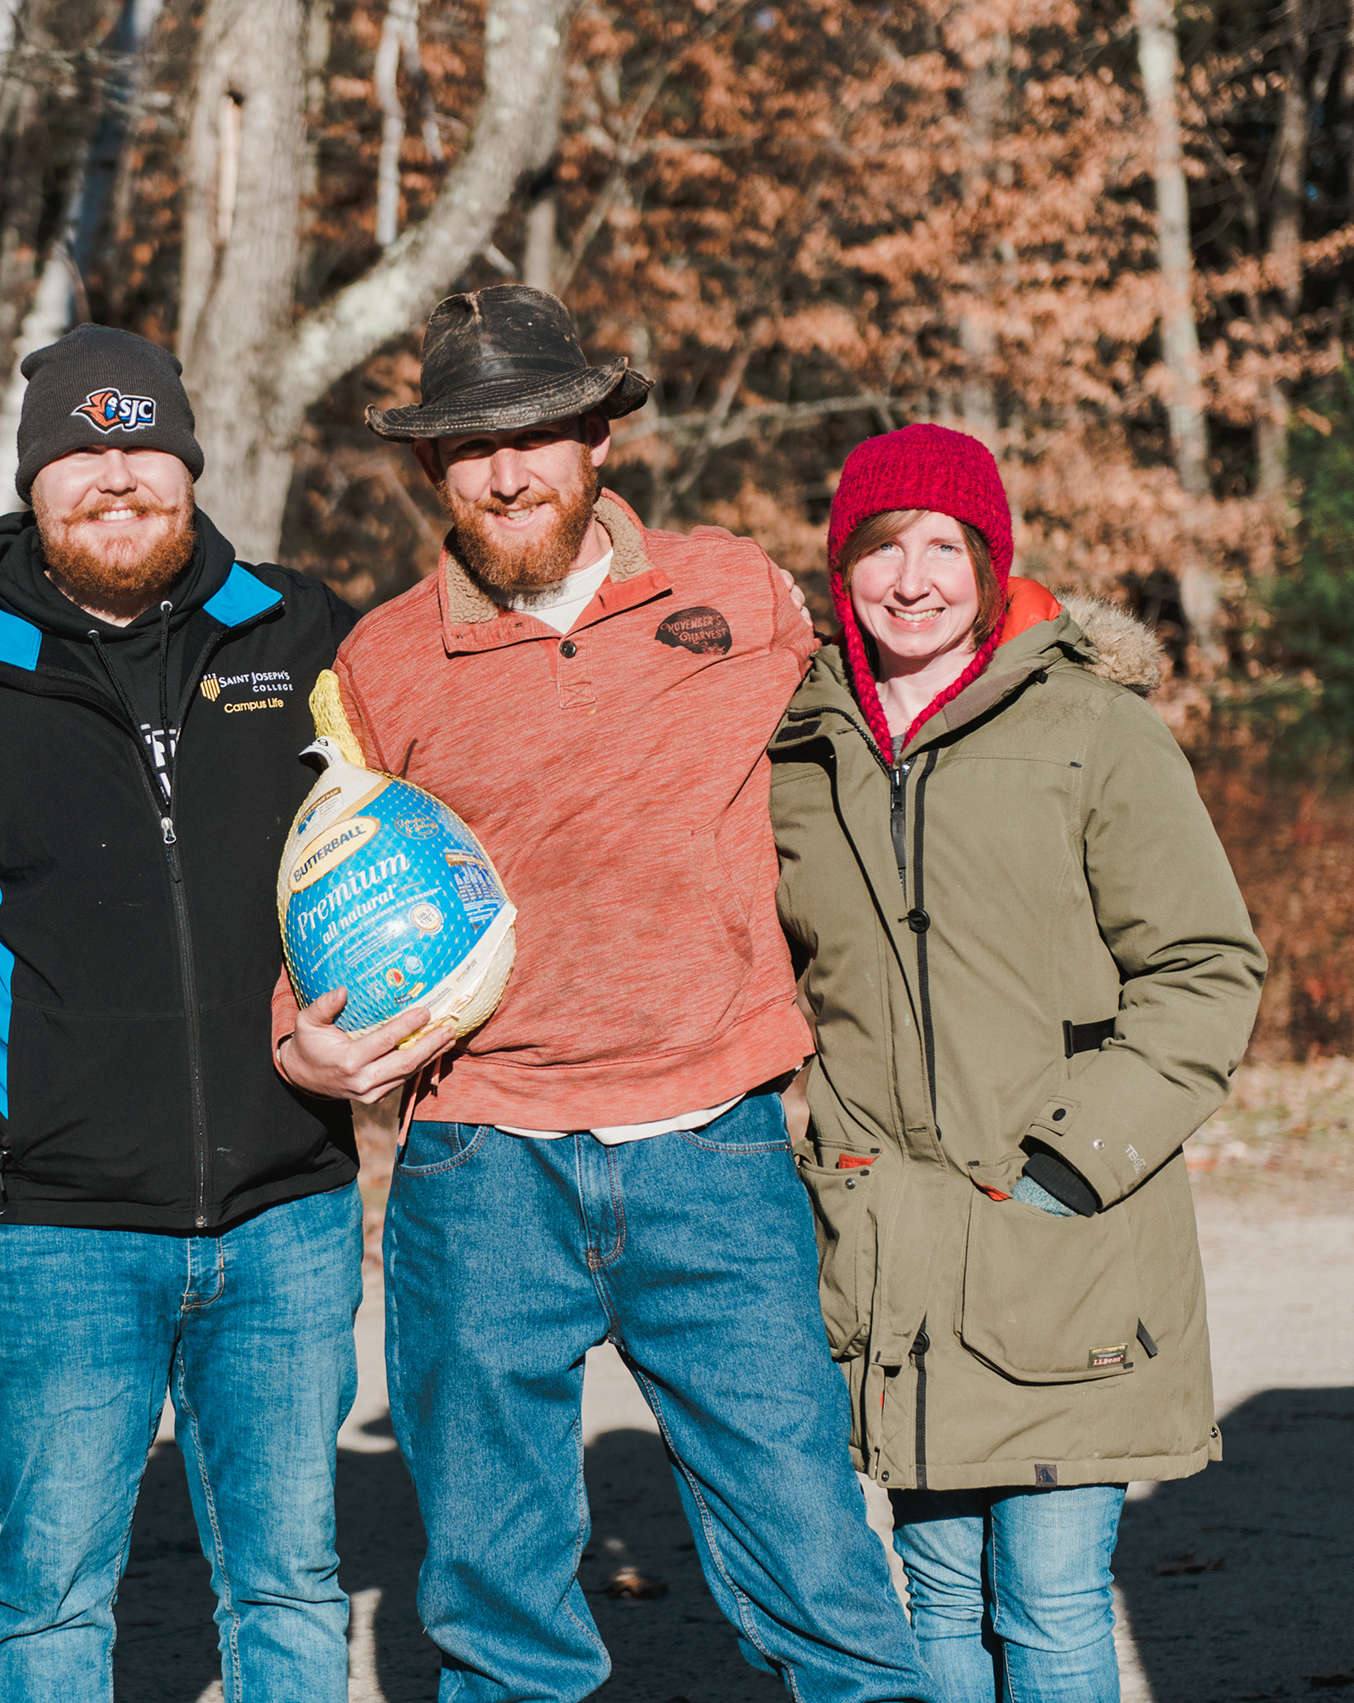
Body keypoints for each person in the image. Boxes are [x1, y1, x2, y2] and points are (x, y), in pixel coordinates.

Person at [279, 285, 930, 1702]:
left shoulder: (738, 592)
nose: (506, 472)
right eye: (469, 447)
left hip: (719, 1144)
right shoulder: (380, 659)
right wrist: (303, 1030)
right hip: (480, 1161)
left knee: (822, 1574)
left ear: (598, 440)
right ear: (430, 470)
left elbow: (901, 726)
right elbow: (332, 873)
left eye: (536, 435)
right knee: (500, 1605)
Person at [0, 324, 386, 1701]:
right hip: (56, 1230)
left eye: (142, 445)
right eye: (81, 451)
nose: (115, 475)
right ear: (35, 482)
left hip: (289, 1208)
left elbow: (408, 838)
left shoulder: (304, 632)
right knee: (49, 1605)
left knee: (288, 1584)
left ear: (189, 466)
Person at [766, 423, 1266, 1702]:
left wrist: (1070, 1159)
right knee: (931, 1593)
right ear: (842, 569)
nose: (914, 577)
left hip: (1061, 1238)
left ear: (993, 567)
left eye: (947, 546)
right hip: (893, 1248)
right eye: (883, 547)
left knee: (1046, 1600)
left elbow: (1205, 967)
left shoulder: (1094, 729)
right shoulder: (800, 752)